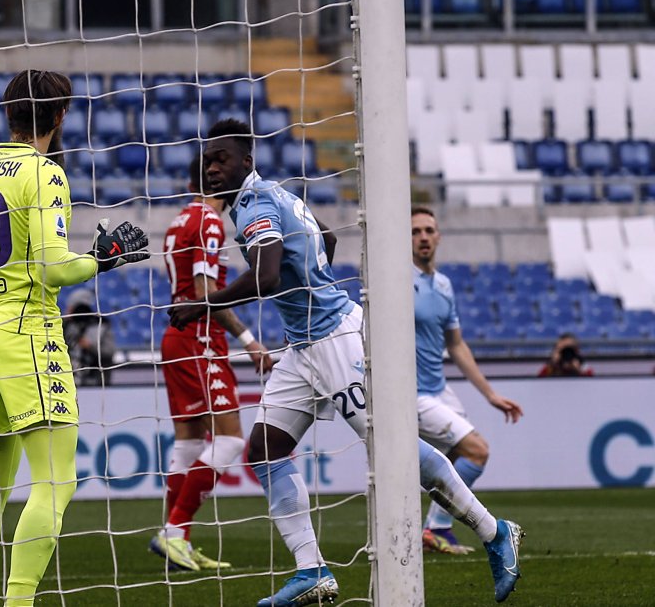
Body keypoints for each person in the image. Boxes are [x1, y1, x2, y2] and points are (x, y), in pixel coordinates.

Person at [168, 119, 523, 606]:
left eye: (222, 159)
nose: (211, 168)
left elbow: (268, 275)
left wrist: (202, 304)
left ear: (246, 163)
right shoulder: (278, 195)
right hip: (303, 346)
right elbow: (326, 241)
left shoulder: (253, 202)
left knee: (395, 450)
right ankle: (311, 570)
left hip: (336, 339)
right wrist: (311, 281)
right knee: (264, 450)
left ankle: (494, 530)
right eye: (207, 161)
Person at [0, 69, 151, 607]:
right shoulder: (43, 173)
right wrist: (103, 259)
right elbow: (52, 269)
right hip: (26, 333)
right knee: (55, 482)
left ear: (7, 111)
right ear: (61, 115)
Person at [150, 153, 274, 572]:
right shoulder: (209, 222)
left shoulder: (179, 219)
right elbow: (205, 292)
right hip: (200, 338)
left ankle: (176, 540)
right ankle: (174, 532)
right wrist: (249, 340)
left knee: (188, 442)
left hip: (176, 336)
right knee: (231, 440)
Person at [410, 207, 524, 555]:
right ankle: (436, 527)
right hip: (410, 393)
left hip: (438, 388)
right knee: (477, 449)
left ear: (439, 236)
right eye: (415, 232)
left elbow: (456, 344)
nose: (424, 236)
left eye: (429, 230)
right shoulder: (395, 282)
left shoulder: (443, 285)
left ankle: (434, 529)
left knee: (466, 458)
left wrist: (490, 394)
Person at [62, 288, 117, 387]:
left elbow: (109, 351)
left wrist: (89, 346)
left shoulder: (101, 325)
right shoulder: (66, 326)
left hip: (97, 380)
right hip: (72, 380)